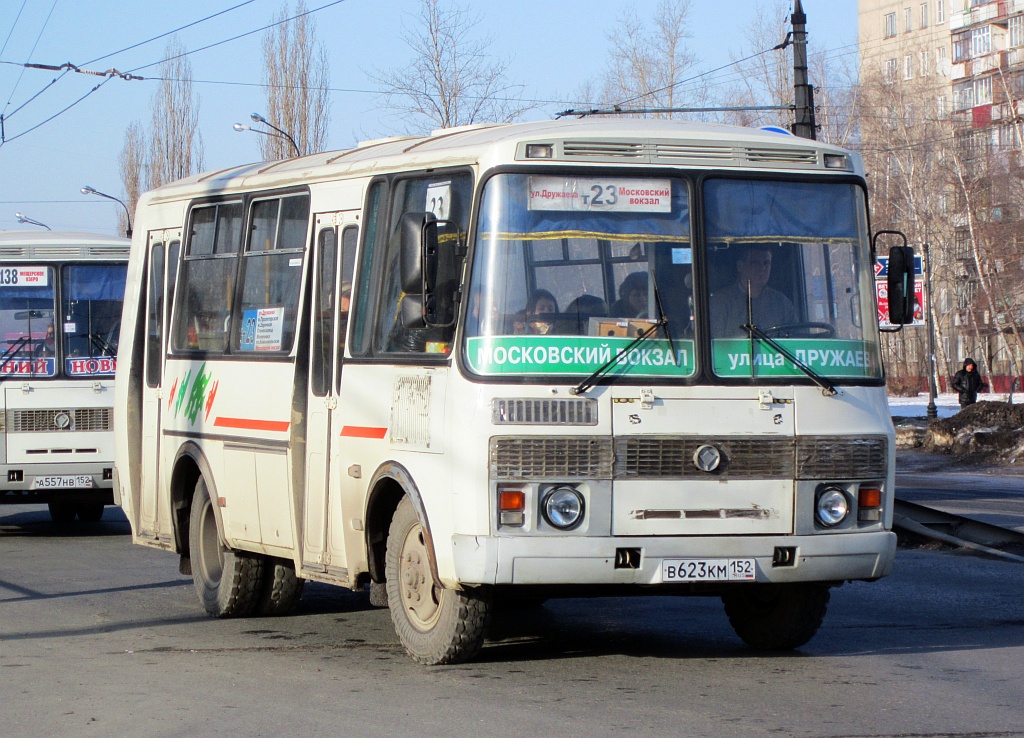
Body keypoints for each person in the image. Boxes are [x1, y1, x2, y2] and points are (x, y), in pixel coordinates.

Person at [710, 245, 796, 337]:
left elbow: (796, 341)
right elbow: (715, 346)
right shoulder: (720, 302)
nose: (763, 268)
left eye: (766, 263)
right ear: (740, 266)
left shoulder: (782, 303)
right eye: (755, 263)